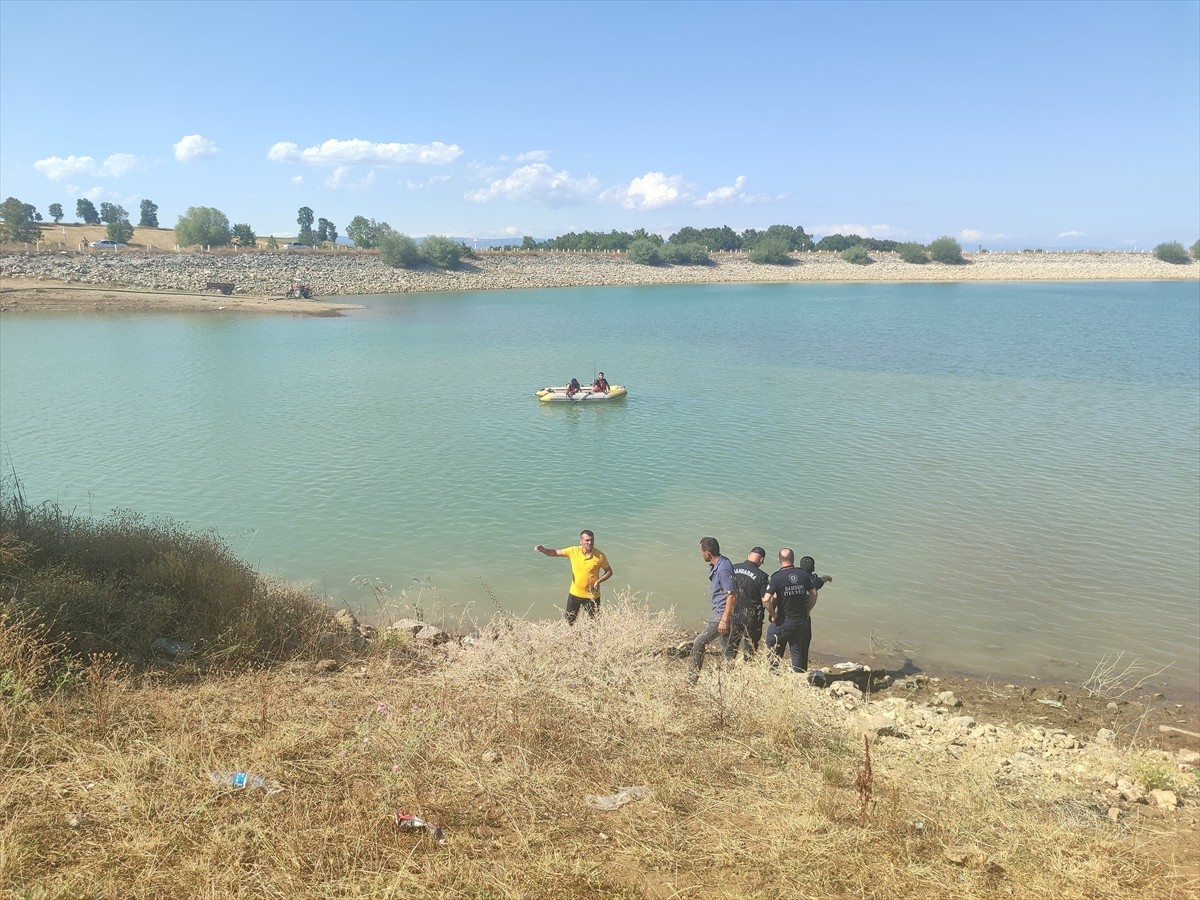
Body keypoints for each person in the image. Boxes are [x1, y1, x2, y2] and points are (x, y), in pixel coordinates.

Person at [762, 548, 827, 673]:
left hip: (783, 620)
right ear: (793, 559)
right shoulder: (803, 575)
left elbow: (766, 600)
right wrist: (808, 609)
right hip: (800, 621)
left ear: (779, 560)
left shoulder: (777, 577)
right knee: (796, 651)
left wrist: (773, 614)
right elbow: (814, 592)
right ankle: (798, 678)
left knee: (774, 647)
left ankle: (772, 675)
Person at [687, 537, 740, 683]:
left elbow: (732, 594)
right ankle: (732, 679)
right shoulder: (721, 563)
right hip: (722, 613)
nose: (701, 554)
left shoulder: (723, 569)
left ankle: (692, 679)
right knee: (726, 650)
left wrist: (724, 619)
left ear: (708, 553)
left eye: (702, 551)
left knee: (699, 642)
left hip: (721, 615)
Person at [534, 530, 613, 624]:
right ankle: (575, 637)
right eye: (587, 540)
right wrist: (544, 550)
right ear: (581, 541)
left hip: (592, 596)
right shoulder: (573, 551)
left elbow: (609, 572)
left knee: (595, 623)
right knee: (570, 622)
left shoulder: (600, 556)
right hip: (575, 594)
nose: (590, 543)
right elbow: (555, 552)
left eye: (592, 540)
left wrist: (598, 581)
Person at [732, 546, 770, 657]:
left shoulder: (733, 568)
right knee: (750, 646)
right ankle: (747, 667)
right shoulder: (762, 576)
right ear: (762, 560)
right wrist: (773, 614)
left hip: (734, 612)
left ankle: (728, 667)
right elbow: (765, 599)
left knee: (732, 644)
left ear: (748, 555)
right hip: (752, 616)